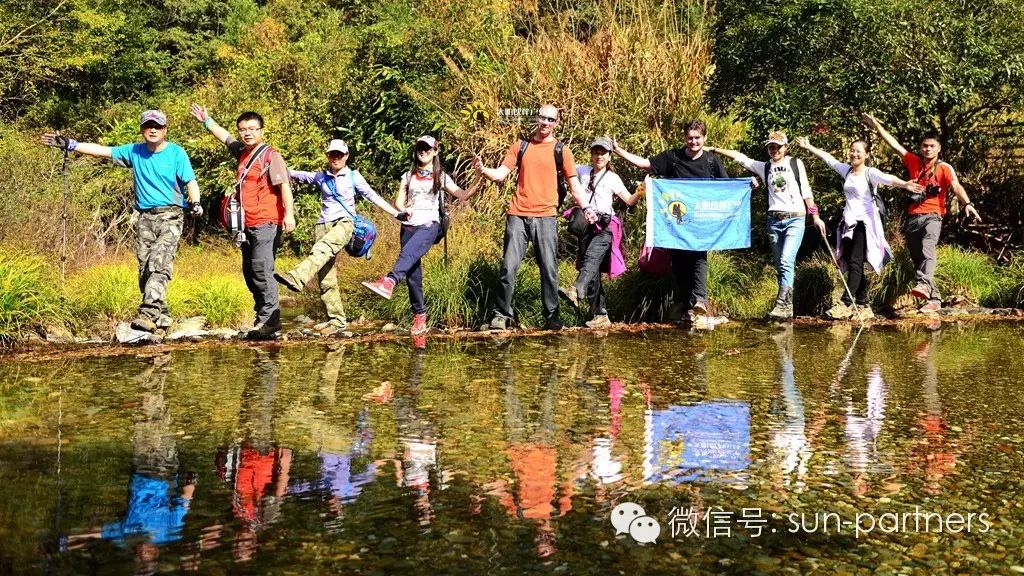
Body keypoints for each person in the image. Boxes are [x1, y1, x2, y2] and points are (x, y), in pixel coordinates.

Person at [42, 110, 202, 333]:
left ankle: (148, 313)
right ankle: (162, 318)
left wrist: (196, 203)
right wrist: (70, 144)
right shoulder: (134, 151)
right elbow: (102, 152)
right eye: (148, 126)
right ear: (142, 129)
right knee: (145, 267)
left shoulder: (176, 153)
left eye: (157, 126)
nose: (153, 130)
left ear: (165, 130)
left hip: (171, 216)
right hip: (145, 217)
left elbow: (190, 181)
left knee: (158, 261)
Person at [473, 104, 591, 331]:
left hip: (546, 216)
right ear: (536, 119)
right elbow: (501, 174)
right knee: (508, 266)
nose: (545, 123)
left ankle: (552, 315)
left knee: (549, 268)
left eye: (550, 119)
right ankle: (501, 314)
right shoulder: (520, 146)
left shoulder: (562, 151)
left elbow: (574, 184)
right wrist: (484, 169)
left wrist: (586, 207)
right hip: (517, 214)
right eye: (542, 118)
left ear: (557, 123)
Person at [271, 139, 406, 335]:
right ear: (327, 156)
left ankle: (297, 277)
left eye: (340, 154)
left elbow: (372, 196)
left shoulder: (353, 176)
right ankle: (337, 320)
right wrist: (273, 159)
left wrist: (396, 214)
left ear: (346, 156)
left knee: (322, 249)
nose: (336, 158)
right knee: (326, 277)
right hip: (322, 225)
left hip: (344, 222)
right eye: (333, 154)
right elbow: (293, 174)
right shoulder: (321, 177)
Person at [611, 119, 735, 322]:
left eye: (697, 138)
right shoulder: (673, 157)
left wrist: (749, 185)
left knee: (698, 257)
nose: (693, 142)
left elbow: (727, 186)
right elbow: (645, 164)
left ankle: (700, 300)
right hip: (676, 223)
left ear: (704, 138)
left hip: (701, 222)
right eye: (690, 138)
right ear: (685, 138)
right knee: (679, 263)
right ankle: (687, 306)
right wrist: (618, 151)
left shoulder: (712, 161)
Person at [189, 104, 295, 340]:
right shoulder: (243, 153)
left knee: (261, 268)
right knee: (249, 271)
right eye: (243, 130)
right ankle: (262, 317)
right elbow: (225, 138)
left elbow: (284, 186)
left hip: (267, 221)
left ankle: (270, 320)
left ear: (261, 131)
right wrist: (206, 120)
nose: (247, 133)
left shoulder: (270, 156)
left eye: (252, 129)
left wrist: (289, 215)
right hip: (246, 225)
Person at [861, 113, 982, 313]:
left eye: (932, 146)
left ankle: (924, 285)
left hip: (933, 216)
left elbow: (956, 186)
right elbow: (894, 145)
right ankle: (934, 298)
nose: (928, 149)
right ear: (921, 147)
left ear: (939, 148)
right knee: (918, 258)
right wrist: (876, 126)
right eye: (925, 146)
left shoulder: (944, 168)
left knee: (928, 249)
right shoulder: (914, 162)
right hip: (913, 217)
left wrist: (967, 203)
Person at [796, 136, 924, 320]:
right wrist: (810, 147)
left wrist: (905, 184)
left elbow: (888, 179)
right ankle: (864, 304)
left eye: (858, 151)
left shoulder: (869, 173)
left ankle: (846, 302)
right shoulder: (847, 171)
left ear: (866, 155)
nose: (854, 154)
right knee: (850, 261)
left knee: (855, 261)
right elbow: (829, 159)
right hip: (848, 223)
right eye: (852, 150)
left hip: (864, 224)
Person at [361, 136, 478, 335]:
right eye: (420, 148)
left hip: (429, 225)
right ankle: (420, 317)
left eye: (428, 149)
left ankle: (389, 281)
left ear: (435, 151)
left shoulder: (441, 176)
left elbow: (463, 195)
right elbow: (399, 201)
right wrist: (403, 210)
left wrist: (479, 175)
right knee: (413, 274)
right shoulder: (408, 175)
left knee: (405, 257)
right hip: (408, 225)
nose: (423, 152)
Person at [710, 131, 827, 320]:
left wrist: (816, 217)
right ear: (768, 149)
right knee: (781, 265)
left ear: (785, 147)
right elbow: (741, 158)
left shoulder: (795, 164)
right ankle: (787, 308)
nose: (775, 150)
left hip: (795, 218)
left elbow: (806, 192)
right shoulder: (764, 167)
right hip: (774, 220)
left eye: (778, 146)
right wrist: (714, 149)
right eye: (771, 147)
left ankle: (781, 304)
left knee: (786, 260)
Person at [561, 137, 643, 329]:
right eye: (596, 152)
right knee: (592, 271)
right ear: (591, 154)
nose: (599, 156)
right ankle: (599, 314)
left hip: (605, 227)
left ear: (609, 157)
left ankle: (575, 290)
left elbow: (630, 200)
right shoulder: (581, 170)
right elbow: (564, 169)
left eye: (603, 153)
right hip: (585, 226)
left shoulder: (613, 178)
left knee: (591, 259)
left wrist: (641, 189)